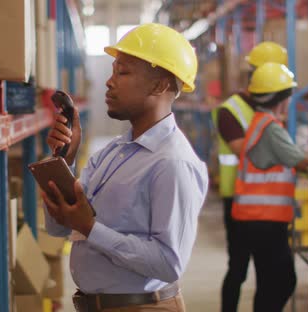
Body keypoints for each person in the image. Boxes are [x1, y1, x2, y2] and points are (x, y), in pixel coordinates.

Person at [42, 23, 209, 312]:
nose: (109, 82)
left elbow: (169, 264)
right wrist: (63, 162)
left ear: (159, 85)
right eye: (113, 70)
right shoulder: (111, 153)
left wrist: (90, 227)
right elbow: (59, 229)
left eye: (123, 72)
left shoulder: (172, 162)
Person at [230, 62, 308, 311]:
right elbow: (296, 159)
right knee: (282, 280)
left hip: (256, 219)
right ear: (282, 99)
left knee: (269, 282)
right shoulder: (270, 127)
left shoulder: (260, 122)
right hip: (264, 219)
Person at [212, 41, 289, 312]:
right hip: (238, 201)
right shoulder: (230, 111)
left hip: (269, 205)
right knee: (239, 269)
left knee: (274, 276)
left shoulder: (270, 110)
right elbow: (247, 152)